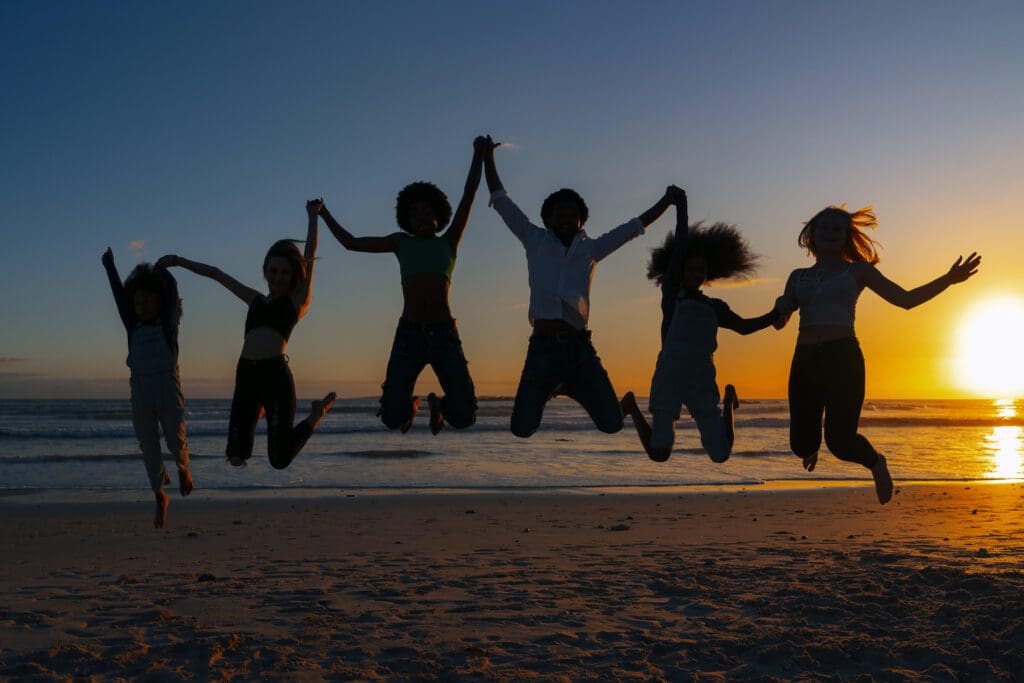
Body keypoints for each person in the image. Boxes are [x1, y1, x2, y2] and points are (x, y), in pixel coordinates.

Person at [774, 205, 981, 504]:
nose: (830, 232)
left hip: (842, 359)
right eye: (824, 227)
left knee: (841, 443)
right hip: (805, 360)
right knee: (800, 446)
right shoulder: (797, 277)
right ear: (812, 234)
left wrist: (948, 279)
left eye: (837, 228)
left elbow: (905, 299)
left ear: (846, 236)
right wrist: (780, 308)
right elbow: (781, 321)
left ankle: (875, 462)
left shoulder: (857, 271)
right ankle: (810, 446)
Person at [482, 140, 674, 437]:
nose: (566, 220)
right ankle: (560, 384)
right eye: (559, 215)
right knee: (521, 428)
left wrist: (667, 200)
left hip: (579, 347)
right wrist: (487, 156)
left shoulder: (590, 250)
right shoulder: (534, 240)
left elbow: (633, 227)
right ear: (548, 219)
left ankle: (571, 386)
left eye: (572, 215)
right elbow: (501, 201)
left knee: (612, 424)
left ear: (581, 220)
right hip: (543, 347)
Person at [316, 137, 487, 434]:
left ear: (438, 217)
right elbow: (351, 243)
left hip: (444, 334)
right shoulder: (400, 242)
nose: (421, 218)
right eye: (414, 213)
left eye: (427, 212)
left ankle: (438, 405)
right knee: (392, 418)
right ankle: (413, 405)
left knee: (464, 416)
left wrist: (479, 155)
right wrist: (324, 213)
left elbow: (469, 195)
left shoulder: (449, 241)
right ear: (406, 219)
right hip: (409, 334)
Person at [156, 199, 336, 468]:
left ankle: (316, 414)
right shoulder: (254, 299)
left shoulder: (296, 302)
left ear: (293, 276)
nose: (278, 277)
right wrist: (176, 261)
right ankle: (258, 410)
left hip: (275, 376)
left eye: (284, 272)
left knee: (279, 460)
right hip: (247, 374)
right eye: (273, 271)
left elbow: (309, 254)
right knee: (235, 457)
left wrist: (313, 217)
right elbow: (216, 274)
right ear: (265, 271)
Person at [621, 187, 783, 463]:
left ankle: (729, 400)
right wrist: (681, 205)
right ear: (681, 271)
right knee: (659, 452)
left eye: (701, 270)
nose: (696, 274)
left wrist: (775, 314)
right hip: (670, 373)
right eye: (691, 269)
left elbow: (744, 327)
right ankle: (630, 405)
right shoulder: (672, 294)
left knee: (720, 454)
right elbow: (681, 244)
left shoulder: (714, 306)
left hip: (702, 376)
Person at [102, 248, 192, 528]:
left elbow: (171, 290)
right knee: (149, 448)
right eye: (137, 302)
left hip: (168, 393)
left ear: (159, 300)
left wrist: (164, 270)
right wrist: (109, 266)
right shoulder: (132, 326)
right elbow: (119, 296)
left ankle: (183, 468)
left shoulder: (167, 326)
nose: (141, 306)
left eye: (147, 300)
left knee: (176, 440)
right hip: (141, 394)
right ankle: (160, 496)